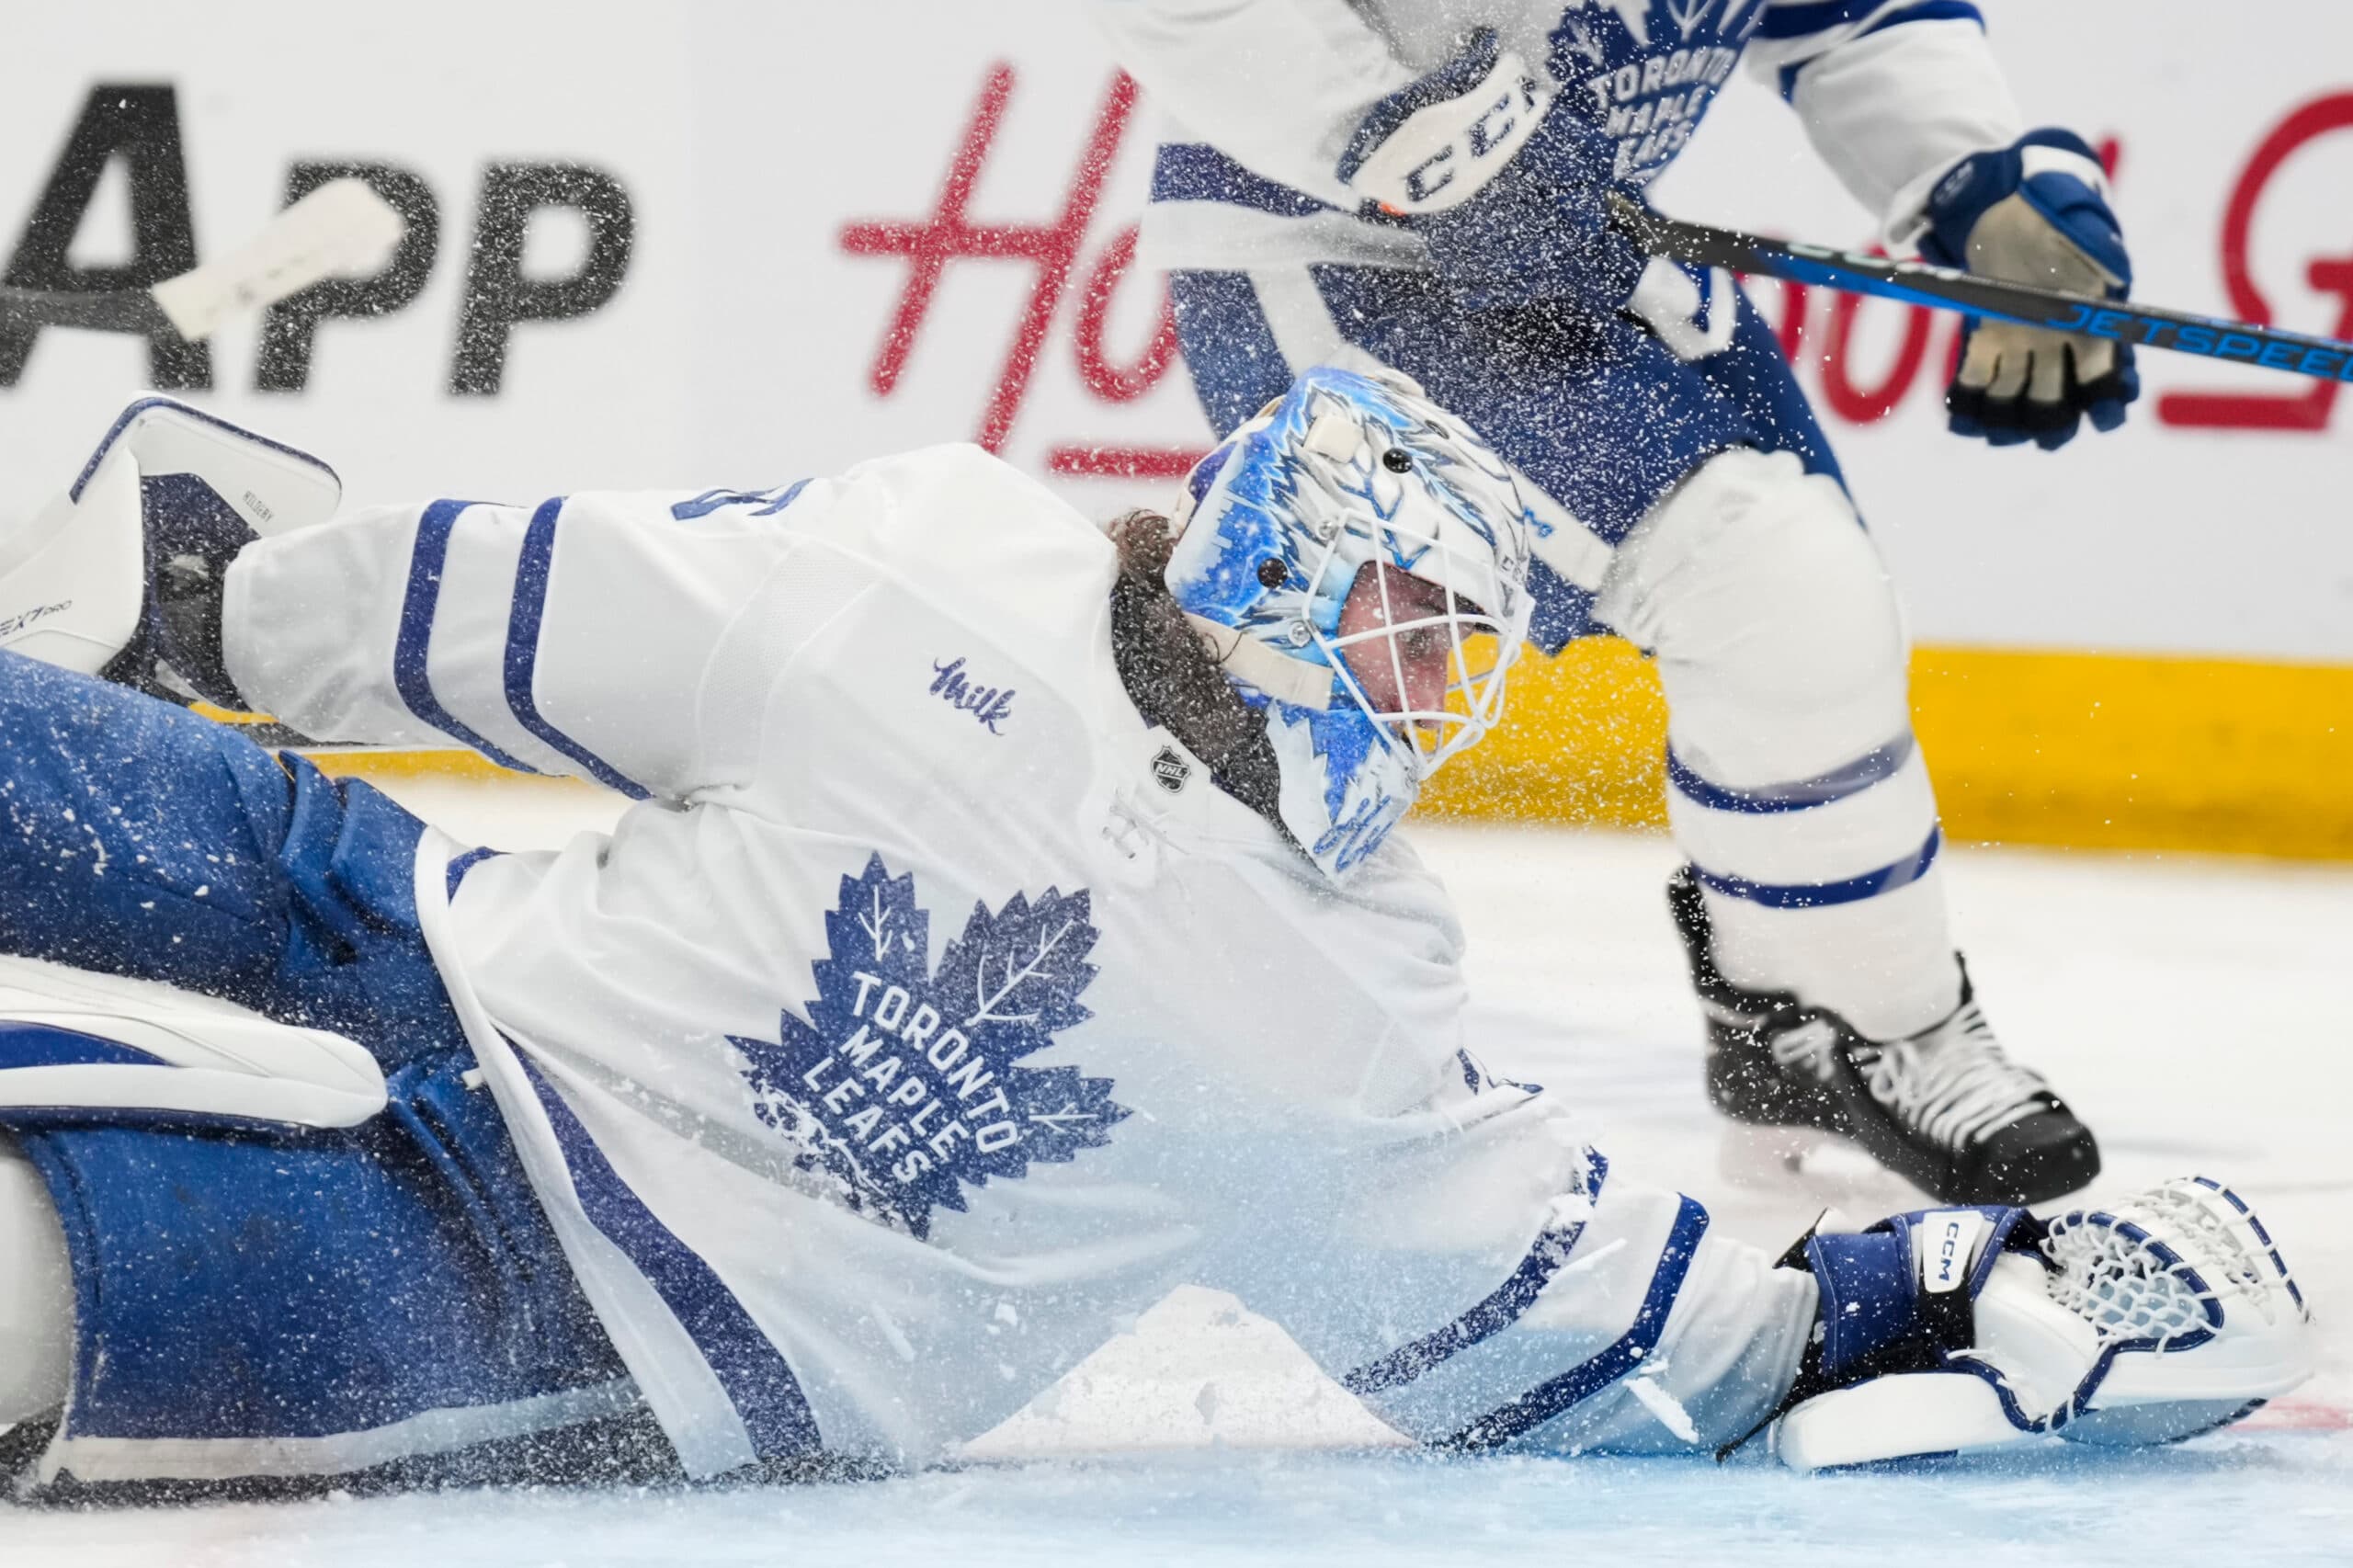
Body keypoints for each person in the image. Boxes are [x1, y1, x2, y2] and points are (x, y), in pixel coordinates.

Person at [0, 385, 2306, 1494]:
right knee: (250, 839)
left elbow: (1623, 1331)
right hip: (516, 1020)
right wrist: (231, 634)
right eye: (1396, 630)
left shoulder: (1319, 970)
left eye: (1450, 661)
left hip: (609, 1307)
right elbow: (1617, 1353)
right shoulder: (971, 607)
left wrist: (214, 605)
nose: (1416, 698)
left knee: (42, 1253)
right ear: (1263, 559)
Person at [1089, 0, 2135, 1206]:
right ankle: (1864, 1019)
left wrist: (1976, 180)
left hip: (1582, 248)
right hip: (1335, 251)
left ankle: (1796, 1008)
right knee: (1770, 583)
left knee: (1810, 602)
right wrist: (1432, 139)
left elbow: (1848, 18)